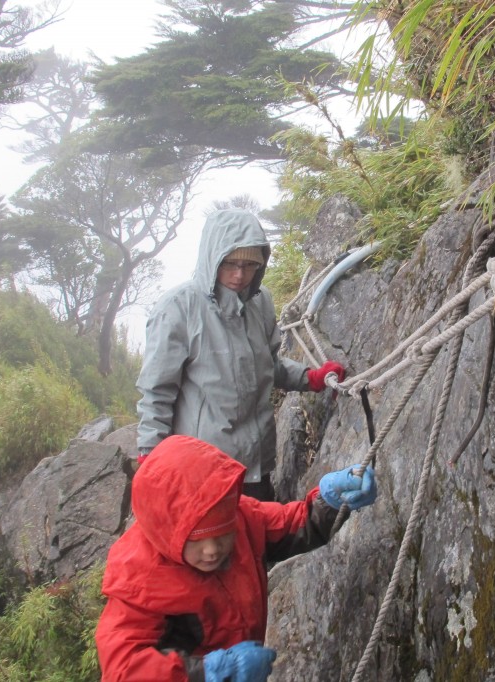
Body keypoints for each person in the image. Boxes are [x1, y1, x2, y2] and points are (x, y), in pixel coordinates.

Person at [95, 434, 377, 682]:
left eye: (222, 534)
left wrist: (330, 501)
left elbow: (292, 524)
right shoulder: (141, 581)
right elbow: (122, 669)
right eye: (195, 540)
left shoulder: (240, 519)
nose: (212, 550)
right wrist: (211, 672)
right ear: (166, 532)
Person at [136, 208, 344, 501]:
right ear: (212, 258)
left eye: (249, 265)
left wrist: (310, 378)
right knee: (218, 548)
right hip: (203, 474)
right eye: (230, 263)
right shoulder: (178, 309)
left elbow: (266, 366)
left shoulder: (261, 303)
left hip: (256, 467)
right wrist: (150, 456)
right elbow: (156, 393)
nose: (239, 275)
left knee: (260, 544)